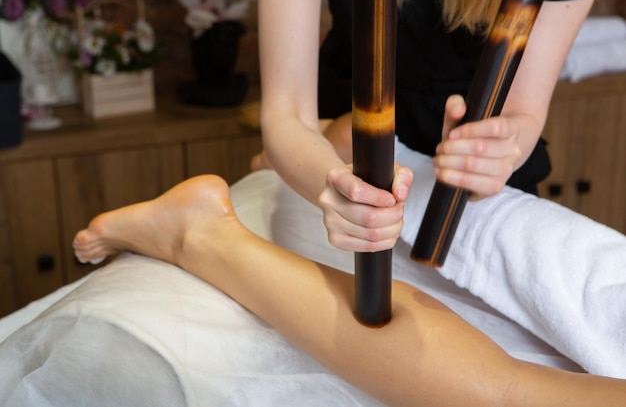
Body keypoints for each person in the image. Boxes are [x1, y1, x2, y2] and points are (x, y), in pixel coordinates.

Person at [71, 174, 626, 407]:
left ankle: (202, 233)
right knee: (513, 393)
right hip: (365, 169)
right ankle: (201, 234)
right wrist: (329, 171)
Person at [257, 0, 598, 253]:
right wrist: (329, 181)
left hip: (482, 148)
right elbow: (286, 111)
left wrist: (491, 157)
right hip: (346, 129)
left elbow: (521, 110)